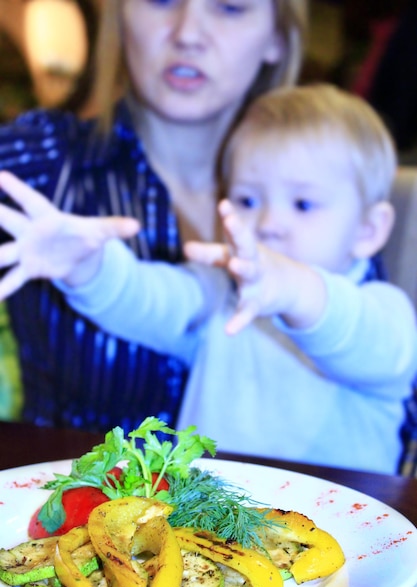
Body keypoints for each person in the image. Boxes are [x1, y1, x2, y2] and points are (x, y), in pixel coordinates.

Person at [1, 83, 416, 474]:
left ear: (369, 230)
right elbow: (147, 298)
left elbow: (351, 332)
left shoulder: (385, 313)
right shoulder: (221, 294)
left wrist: (292, 288)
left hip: (341, 529)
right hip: (210, 527)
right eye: (248, 199)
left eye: (303, 203)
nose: (269, 223)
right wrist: (86, 265)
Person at [0, 0, 308, 431]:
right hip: (66, 490)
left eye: (230, 8)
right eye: (161, 0)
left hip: (273, 497)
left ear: (277, 37)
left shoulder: (321, 189)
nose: (187, 33)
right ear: (120, 19)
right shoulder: (42, 159)